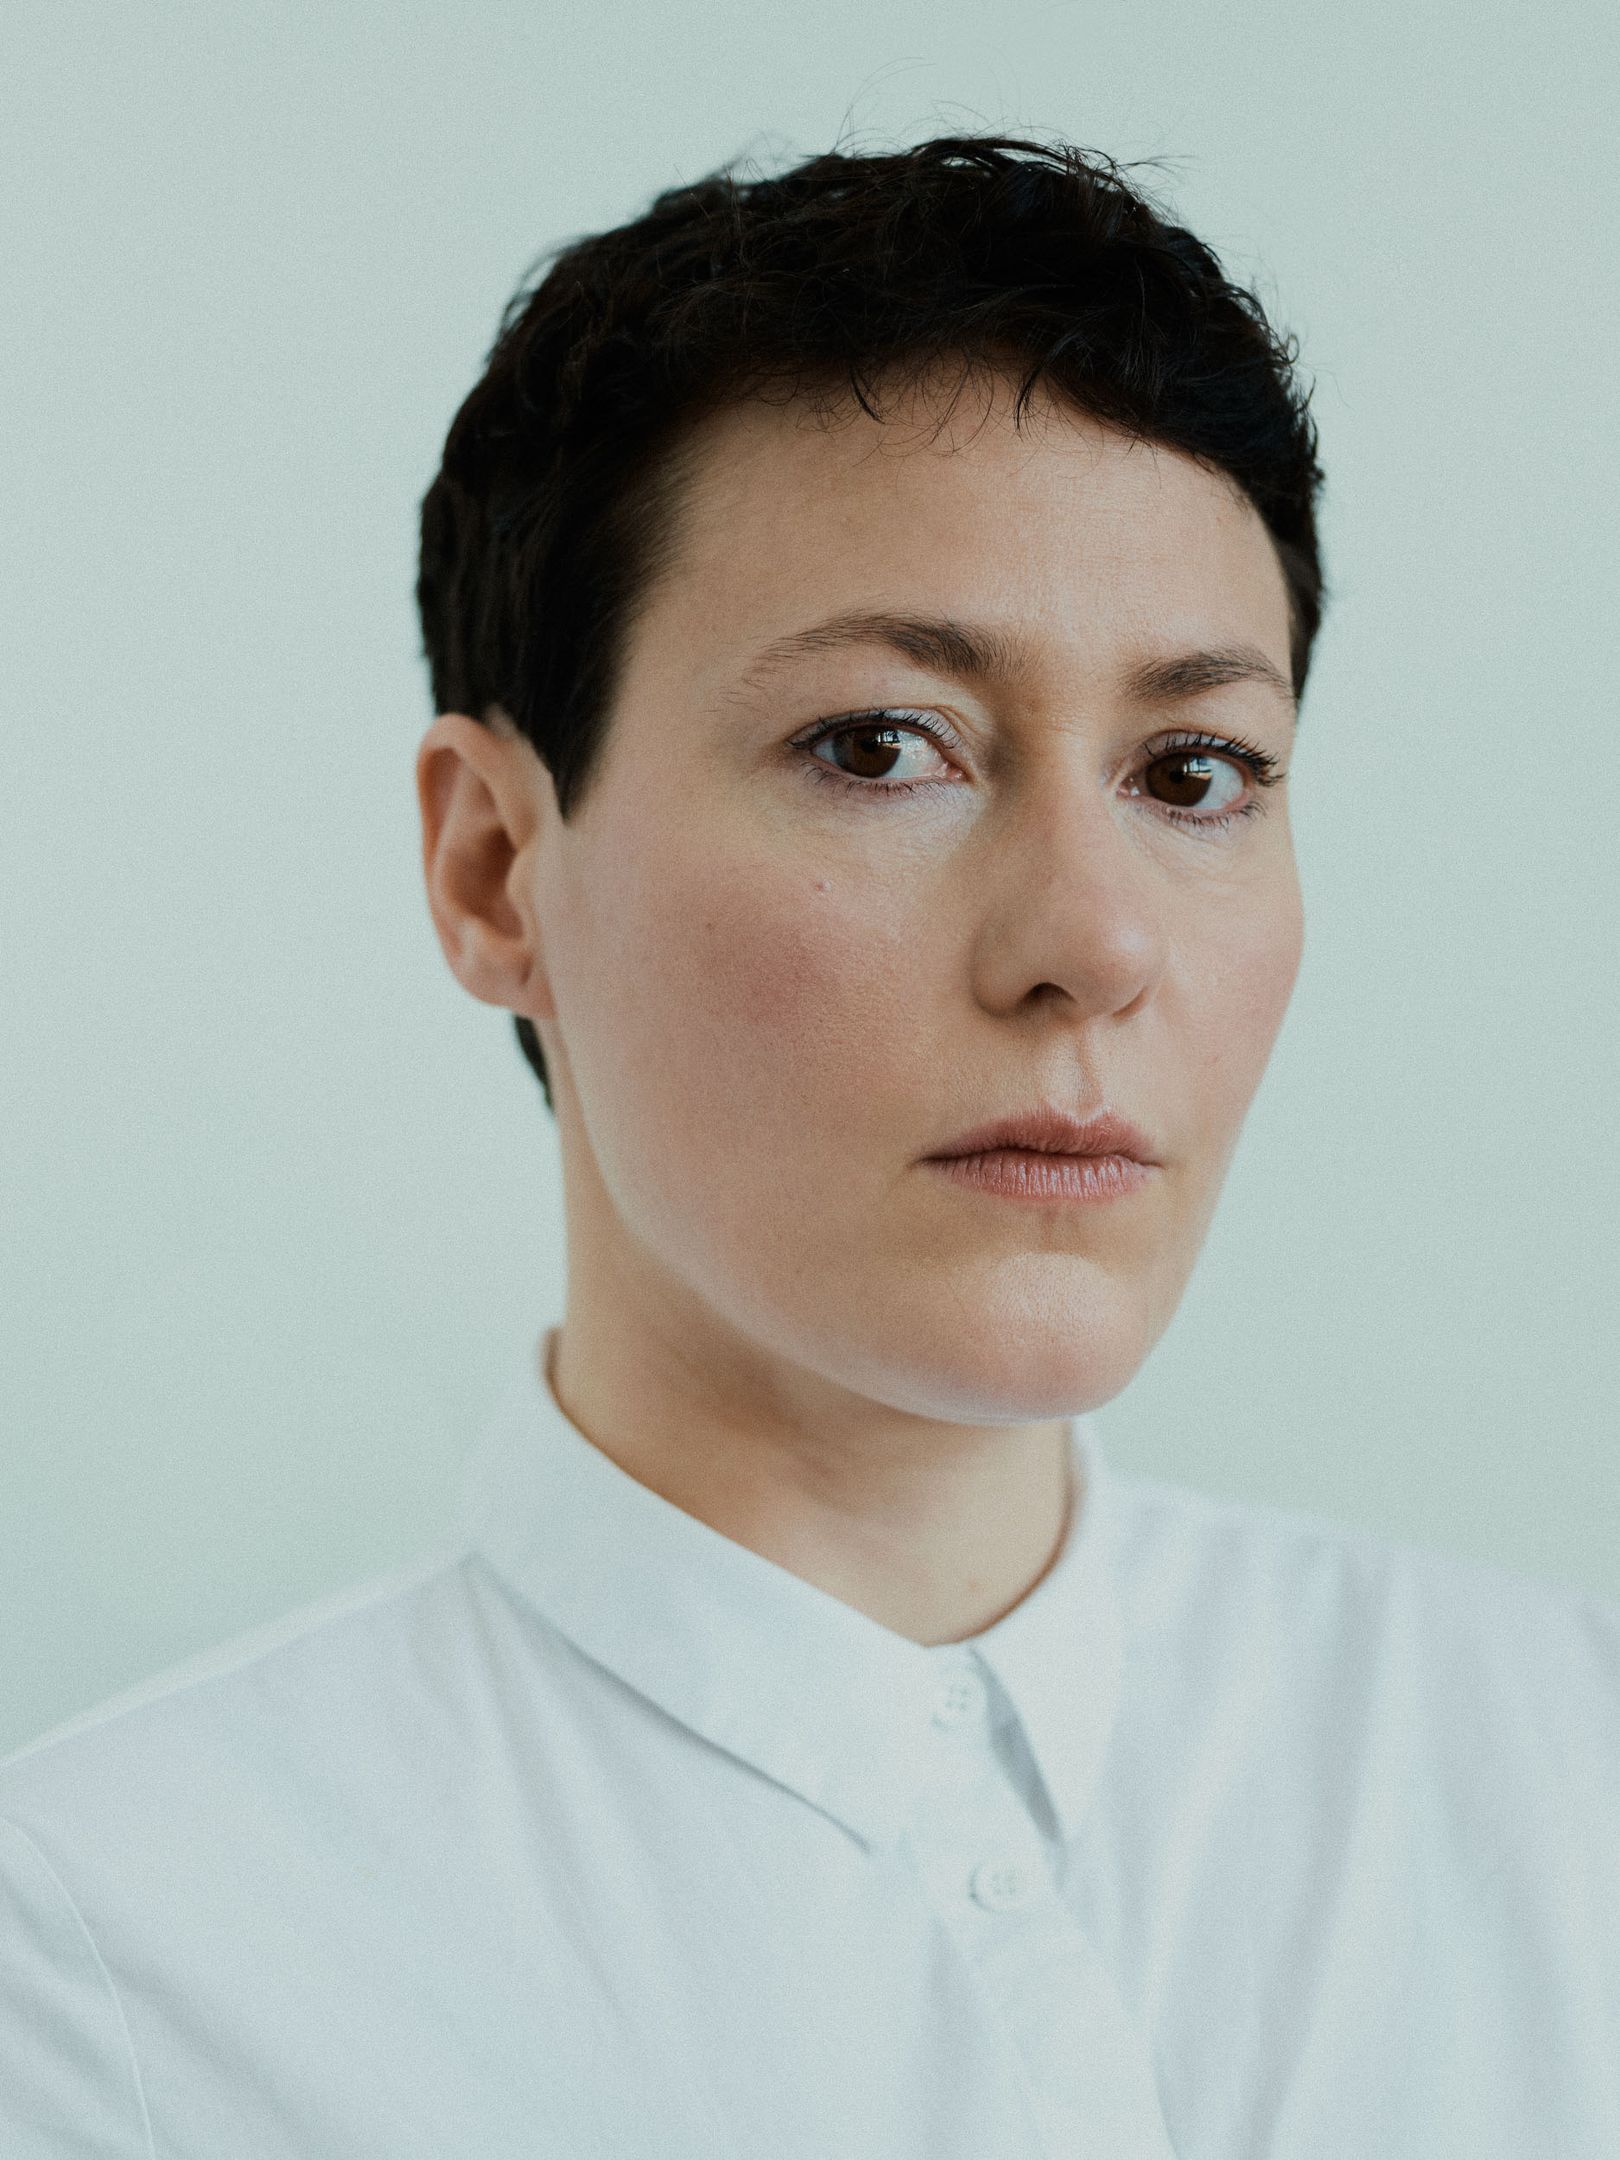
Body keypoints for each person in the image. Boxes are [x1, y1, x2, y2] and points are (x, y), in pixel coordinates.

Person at [2, 131, 1616, 2160]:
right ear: (495, 865)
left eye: (1196, 772)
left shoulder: (1563, 1771)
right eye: (879, 747)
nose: (1093, 944)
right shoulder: (112, 1972)